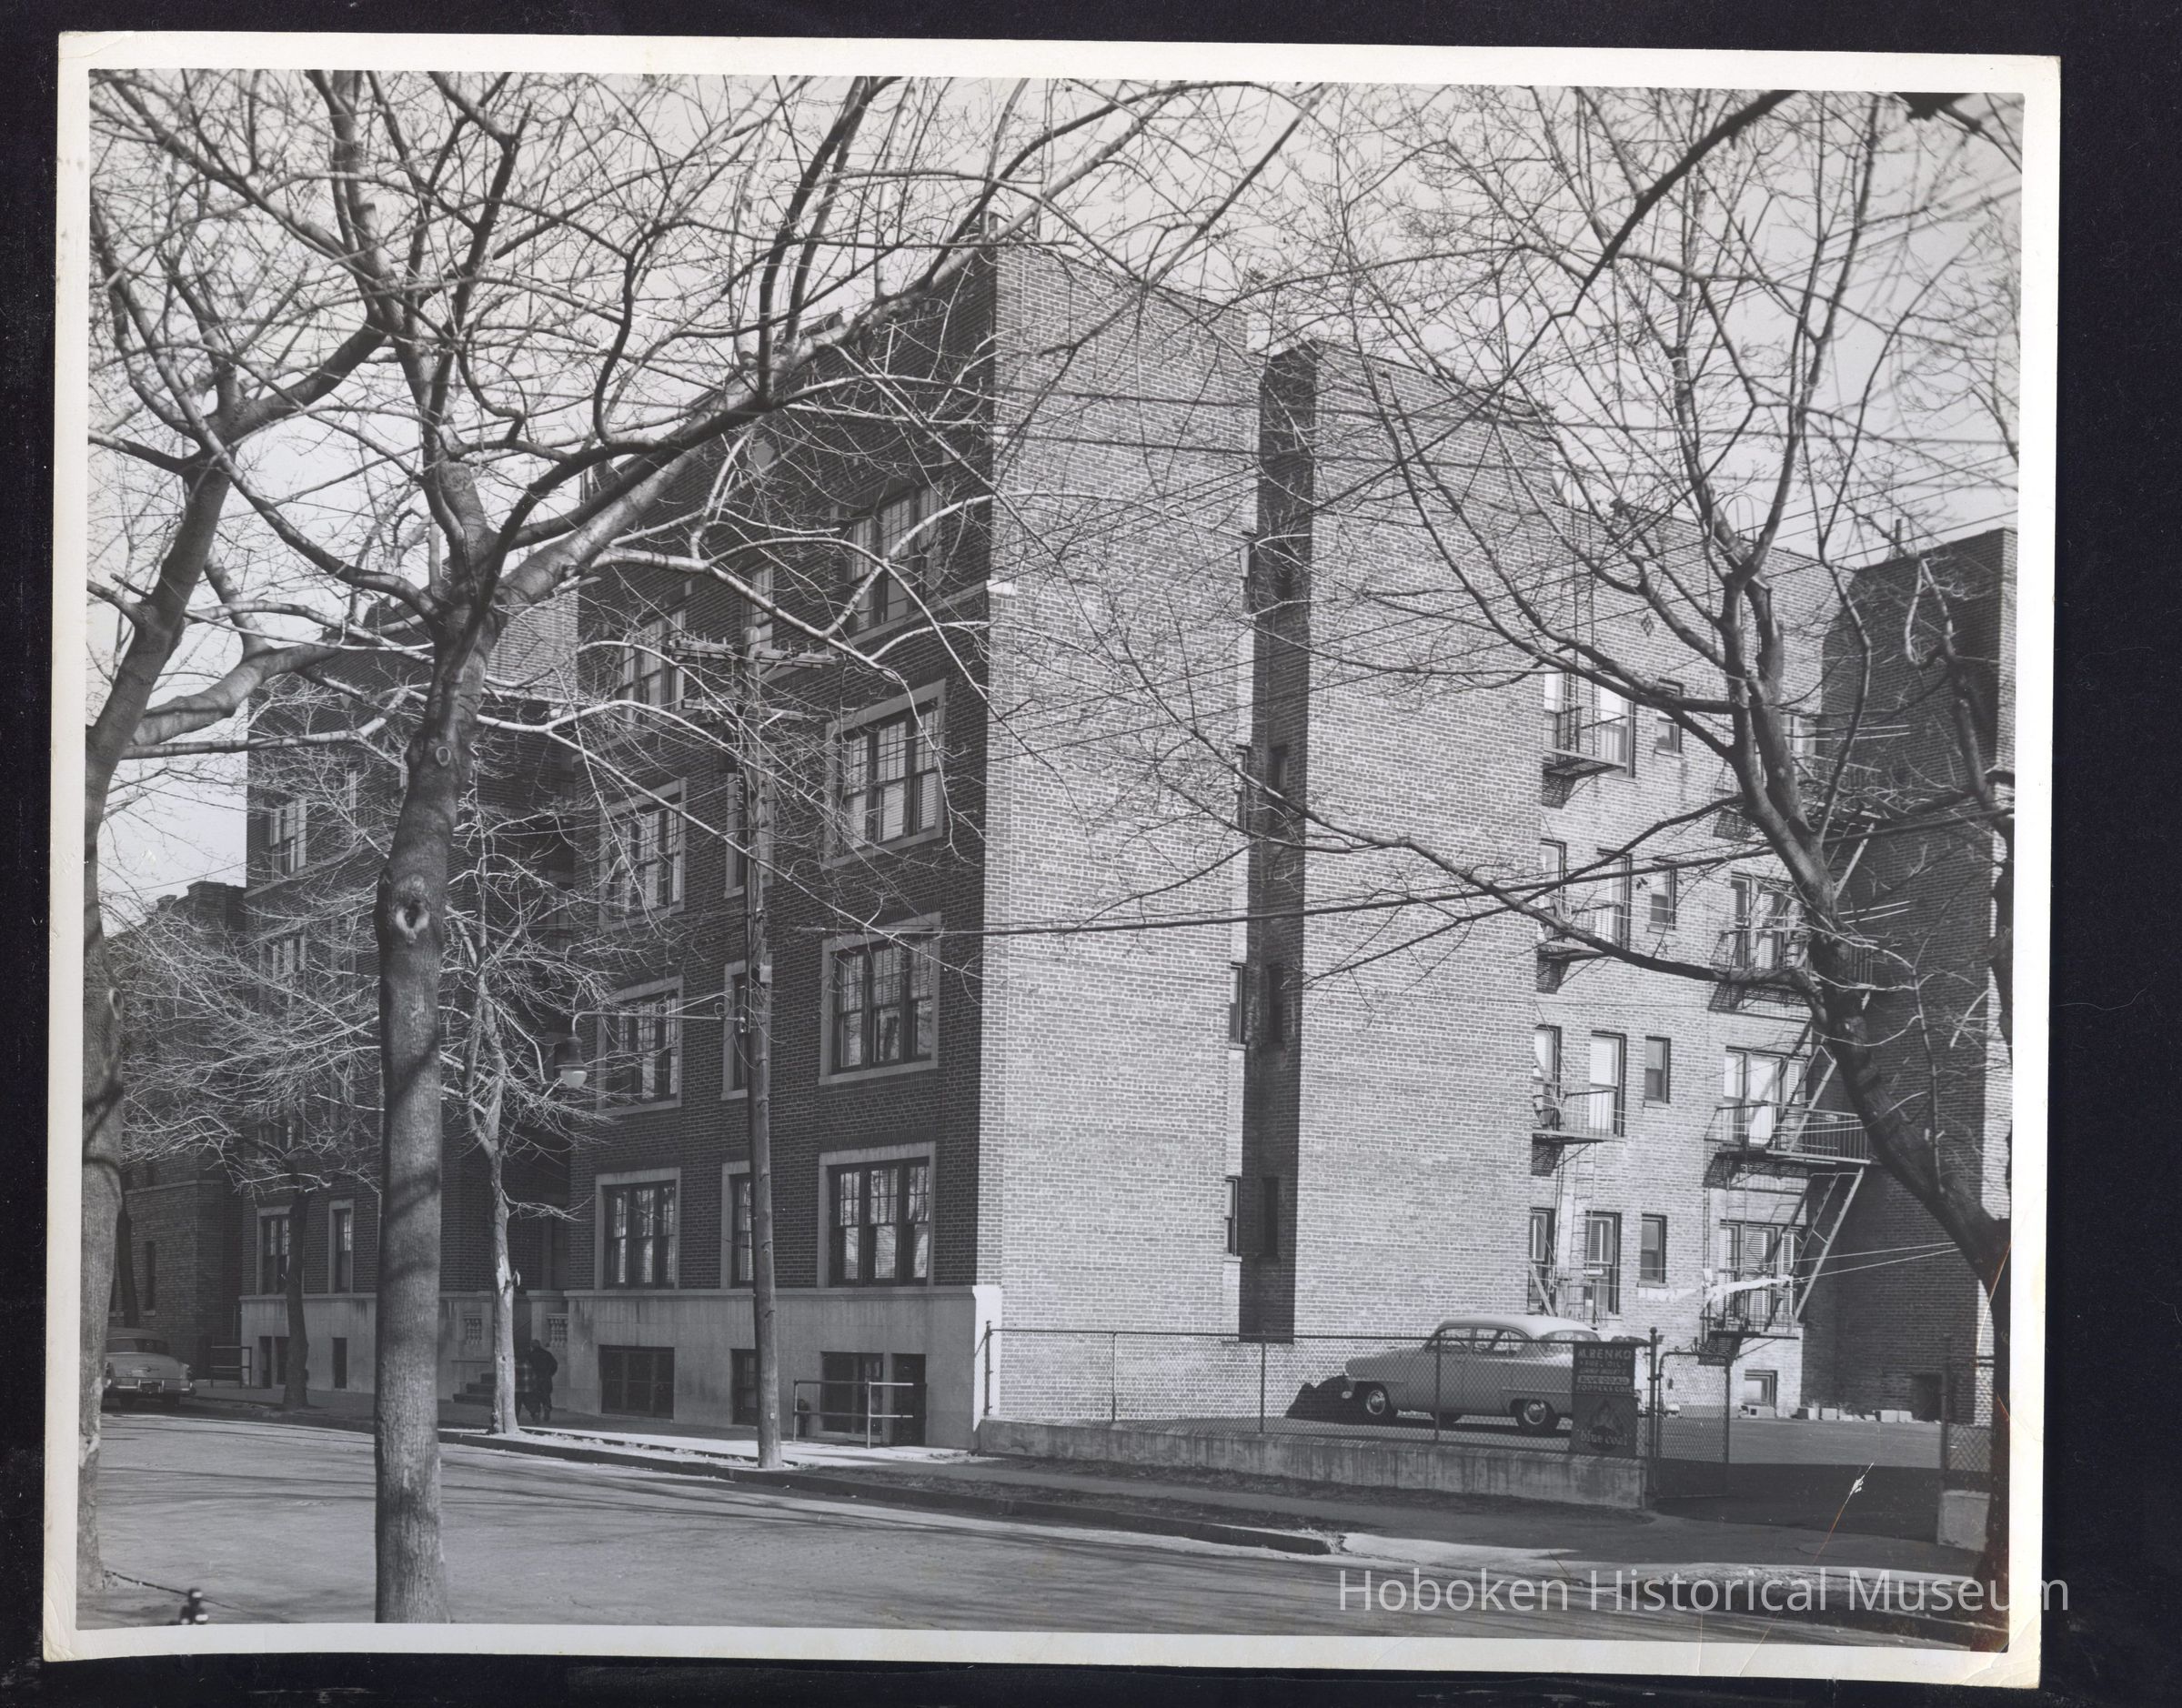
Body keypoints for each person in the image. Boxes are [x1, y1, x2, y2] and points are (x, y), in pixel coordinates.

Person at [520, 1337, 558, 1424]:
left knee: (534, 1397)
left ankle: (536, 1413)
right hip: (546, 1378)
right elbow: (554, 1365)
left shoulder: (530, 1355)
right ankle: (547, 1407)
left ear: (532, 1346)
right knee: (546, 1395)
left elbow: (527, 1367)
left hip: (534, 1379)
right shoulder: (547, 1354)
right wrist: (550, 1374)